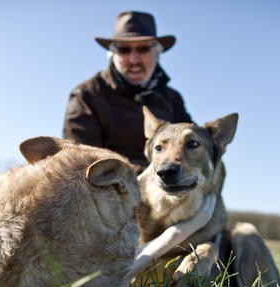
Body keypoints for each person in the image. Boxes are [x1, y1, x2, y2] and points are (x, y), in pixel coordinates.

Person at [63, 11, 193, 173]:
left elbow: (195, 146)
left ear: (157, 54)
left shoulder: (172, 99)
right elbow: (80, 160)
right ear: (113, 54)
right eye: (124, 50)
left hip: (171, 187)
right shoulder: (86, 95)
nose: (134, 60)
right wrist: (149, 177)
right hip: (110, 191)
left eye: (143, 49)